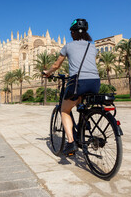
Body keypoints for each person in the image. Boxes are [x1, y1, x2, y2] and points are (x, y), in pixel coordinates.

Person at [43, 18, 100, 156]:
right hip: (95, 82)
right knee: (80, 102)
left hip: (78, 82)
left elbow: (57, 65)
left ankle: (71, 142)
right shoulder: (92, 47)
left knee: (64, 110)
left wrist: (47, 73)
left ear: (73, 33)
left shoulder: (68, 46)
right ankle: (84, 121)